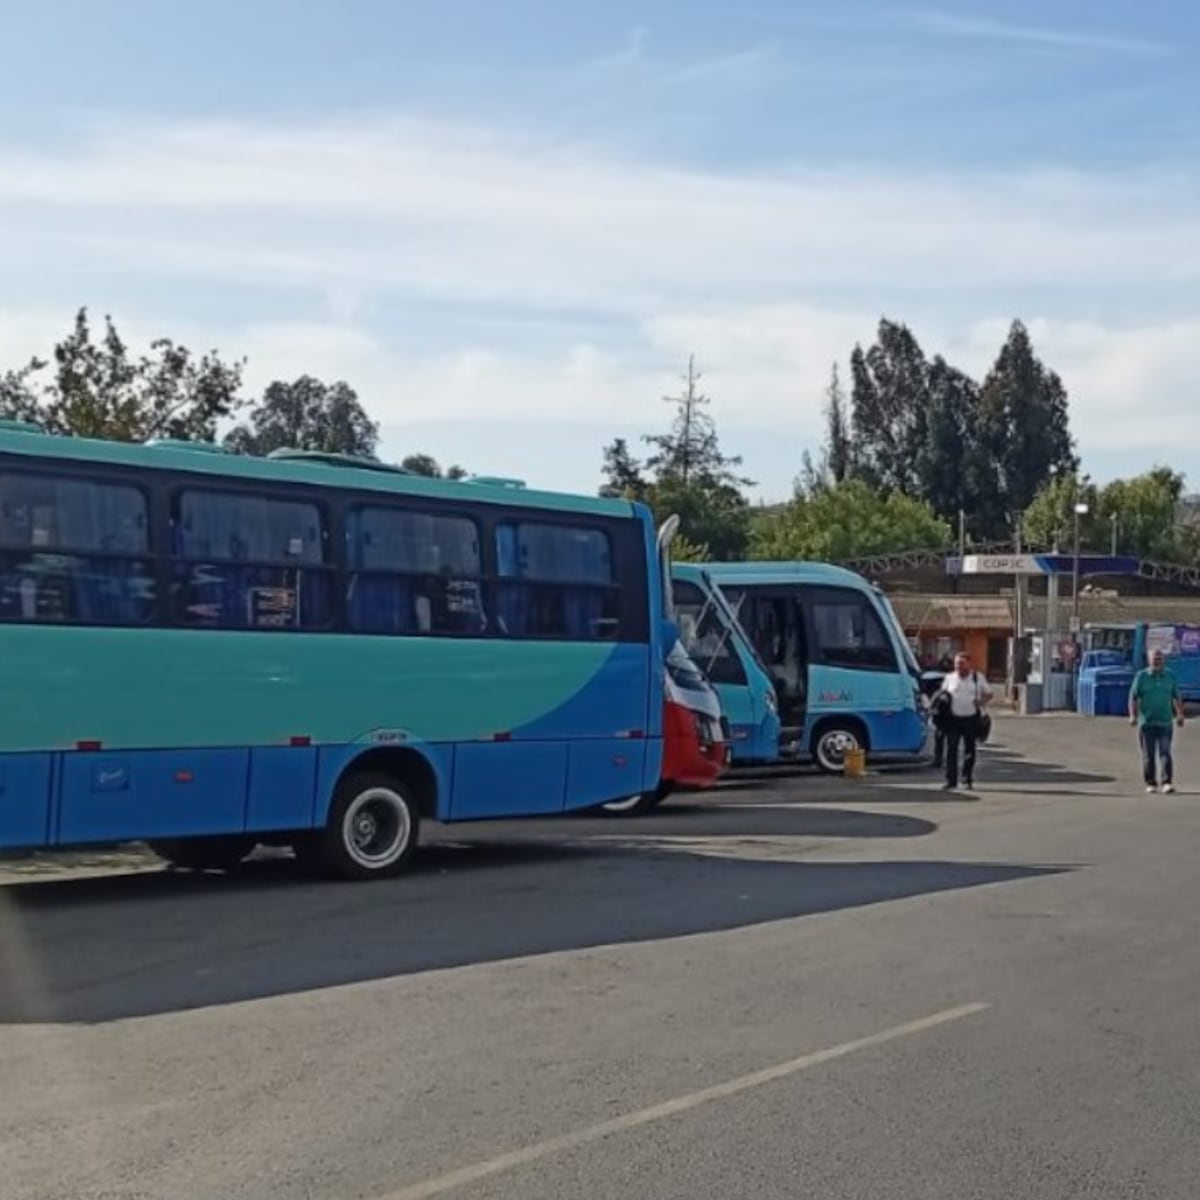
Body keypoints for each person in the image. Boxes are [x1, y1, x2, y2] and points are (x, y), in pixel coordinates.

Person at [1129, 648, 1185, 794]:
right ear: (1149, 660)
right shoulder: (1141, 676)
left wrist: (1179, 714)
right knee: (1148, 754)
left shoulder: (1170, 676)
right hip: (1147, 723)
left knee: (1165, 752)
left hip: (1165, 722)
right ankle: (1151, 782)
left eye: (1160, 658)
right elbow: (1133, 697)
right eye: (1155, 658)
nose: (1157, 661)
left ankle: (1167, 782)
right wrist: (1133, 715)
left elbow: (1176, 697)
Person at [939, 652, 992, 790]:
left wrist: (981, 702)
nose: (958, 666)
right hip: (953, 719)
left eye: (961, 664)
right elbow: (942, 694)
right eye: (956, 664)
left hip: (971, 718)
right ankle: (951, 781)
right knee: (951, 750)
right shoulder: (949, 678)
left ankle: (966, 779)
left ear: (969, 664)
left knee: (970, 750)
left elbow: (989, 693)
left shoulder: (977, 677)